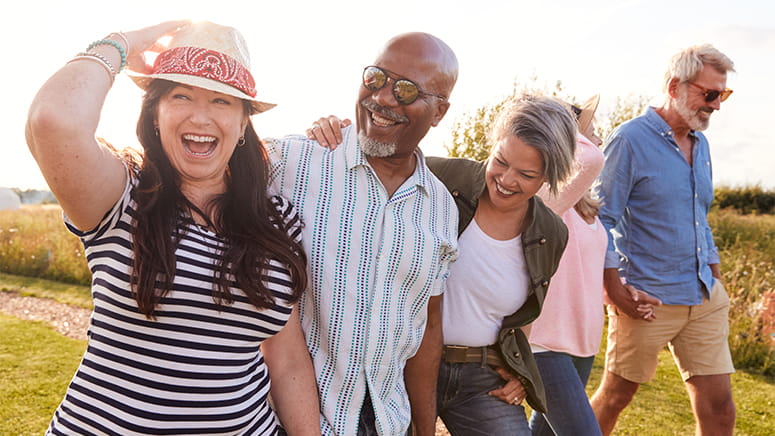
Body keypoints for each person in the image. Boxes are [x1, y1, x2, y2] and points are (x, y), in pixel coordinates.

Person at [26, 21, 320, 435]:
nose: (200, 116)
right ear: (156, 115)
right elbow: (53, 120)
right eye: (180, 95)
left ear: (241, 126)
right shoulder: (121, 195)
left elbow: (285, 353)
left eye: (222, 101)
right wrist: (123, 43)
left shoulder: (275, 219)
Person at [307, 94, 578, 435]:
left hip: (482, 380)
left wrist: (519, 371)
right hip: (401, 365)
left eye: (526, 174)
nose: (507, 180)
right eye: (501, 162)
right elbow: (372, 161)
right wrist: (336, 131)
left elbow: (526, 313)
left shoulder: (550, 232)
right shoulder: (441, 178)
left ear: (548, 177)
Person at [265, 33, 460, 436]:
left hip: (386, 424)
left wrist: (424, 430)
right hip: (283, 420)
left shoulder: (441, 209)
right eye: (375, 78)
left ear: (439, 111)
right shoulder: (290, 165)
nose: (384, 98)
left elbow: (427, 331)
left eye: (406, 90)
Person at [590, 44, 737, 436]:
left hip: (702, 296)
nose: (717, 105)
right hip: (647, 299)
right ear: (675, 86)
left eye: (722, 95)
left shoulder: (701, 145)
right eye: (710, 94)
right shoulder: (629, 140)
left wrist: (715, 271)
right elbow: (600, 220)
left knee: (720, 407)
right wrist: (614, 289)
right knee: (616, 397)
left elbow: (698, 216)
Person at [525, 95, 609, 436]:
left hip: (584, 342)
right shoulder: (545, 199)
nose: (599, 138)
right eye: (592, 131)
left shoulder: (581, 205)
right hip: (546, 343)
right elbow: (592, 157)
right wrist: (562, 126)